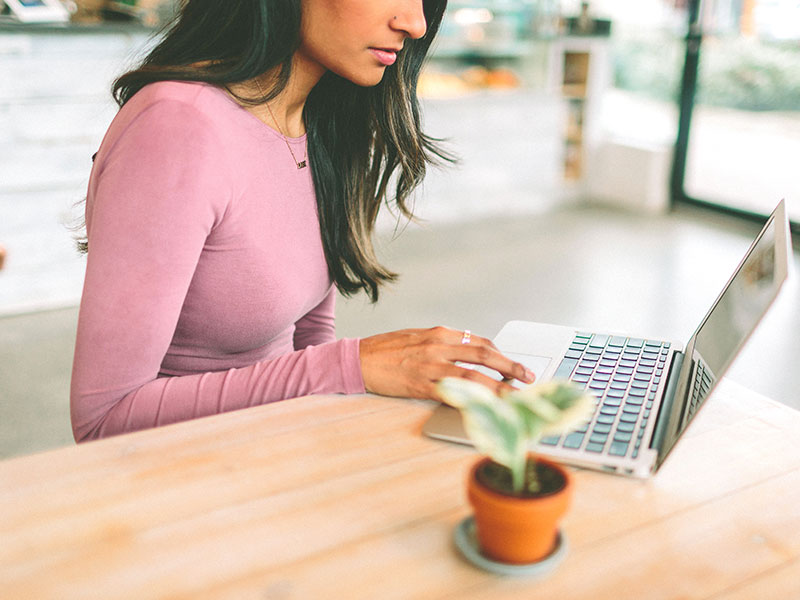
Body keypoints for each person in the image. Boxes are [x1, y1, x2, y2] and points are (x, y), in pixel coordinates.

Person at [70, 0, 535, 442]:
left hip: (270, 450)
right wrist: (350, 366)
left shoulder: (316, 119)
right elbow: (104, 419)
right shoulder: (178, 125)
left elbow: (305, 343)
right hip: (180, 482)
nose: (415, 23)